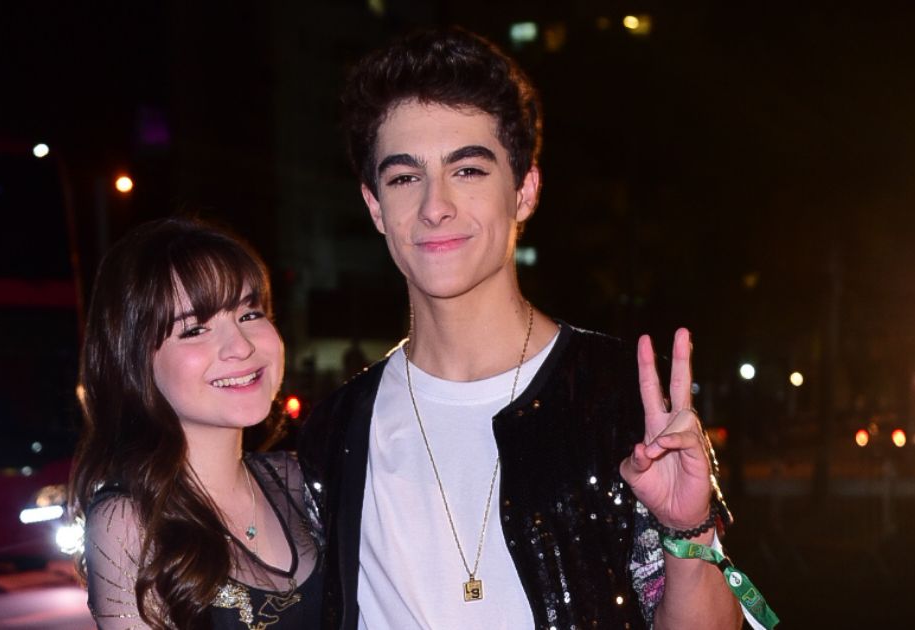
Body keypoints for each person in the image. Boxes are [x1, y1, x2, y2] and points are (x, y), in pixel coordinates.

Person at [299, 28, 750, 630]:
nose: (435, 206)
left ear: (525, 191)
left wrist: (686, 531)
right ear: (375, 206)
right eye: (405, 178)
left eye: (468, 171)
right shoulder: (335, 432)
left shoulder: (618, 398)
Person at [70, 217, 322, 630]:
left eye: (250, 314)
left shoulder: (301, 481)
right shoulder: (130, 523)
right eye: (195, 329)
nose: (240, 346)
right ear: (135, 360)